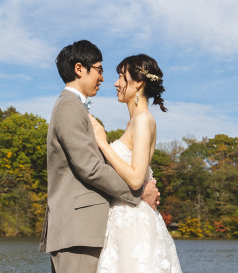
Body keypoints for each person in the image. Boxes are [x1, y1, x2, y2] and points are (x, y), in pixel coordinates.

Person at [40, 40, 160, 273]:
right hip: (77, 231)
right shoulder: (69, 107)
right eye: (99, 70)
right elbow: (90, 168)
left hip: (88, 231)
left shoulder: (76, 107)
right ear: (79, 69)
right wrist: (138, 191)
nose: (105, 79)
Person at [89, 54, 182, 273]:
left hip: (133, 223)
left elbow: (135, 178)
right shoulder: (134, 121)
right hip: (123, 217)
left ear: (138, 82)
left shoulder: (142, 120)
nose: (116, 83)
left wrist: (103, 144)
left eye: (122, 77)